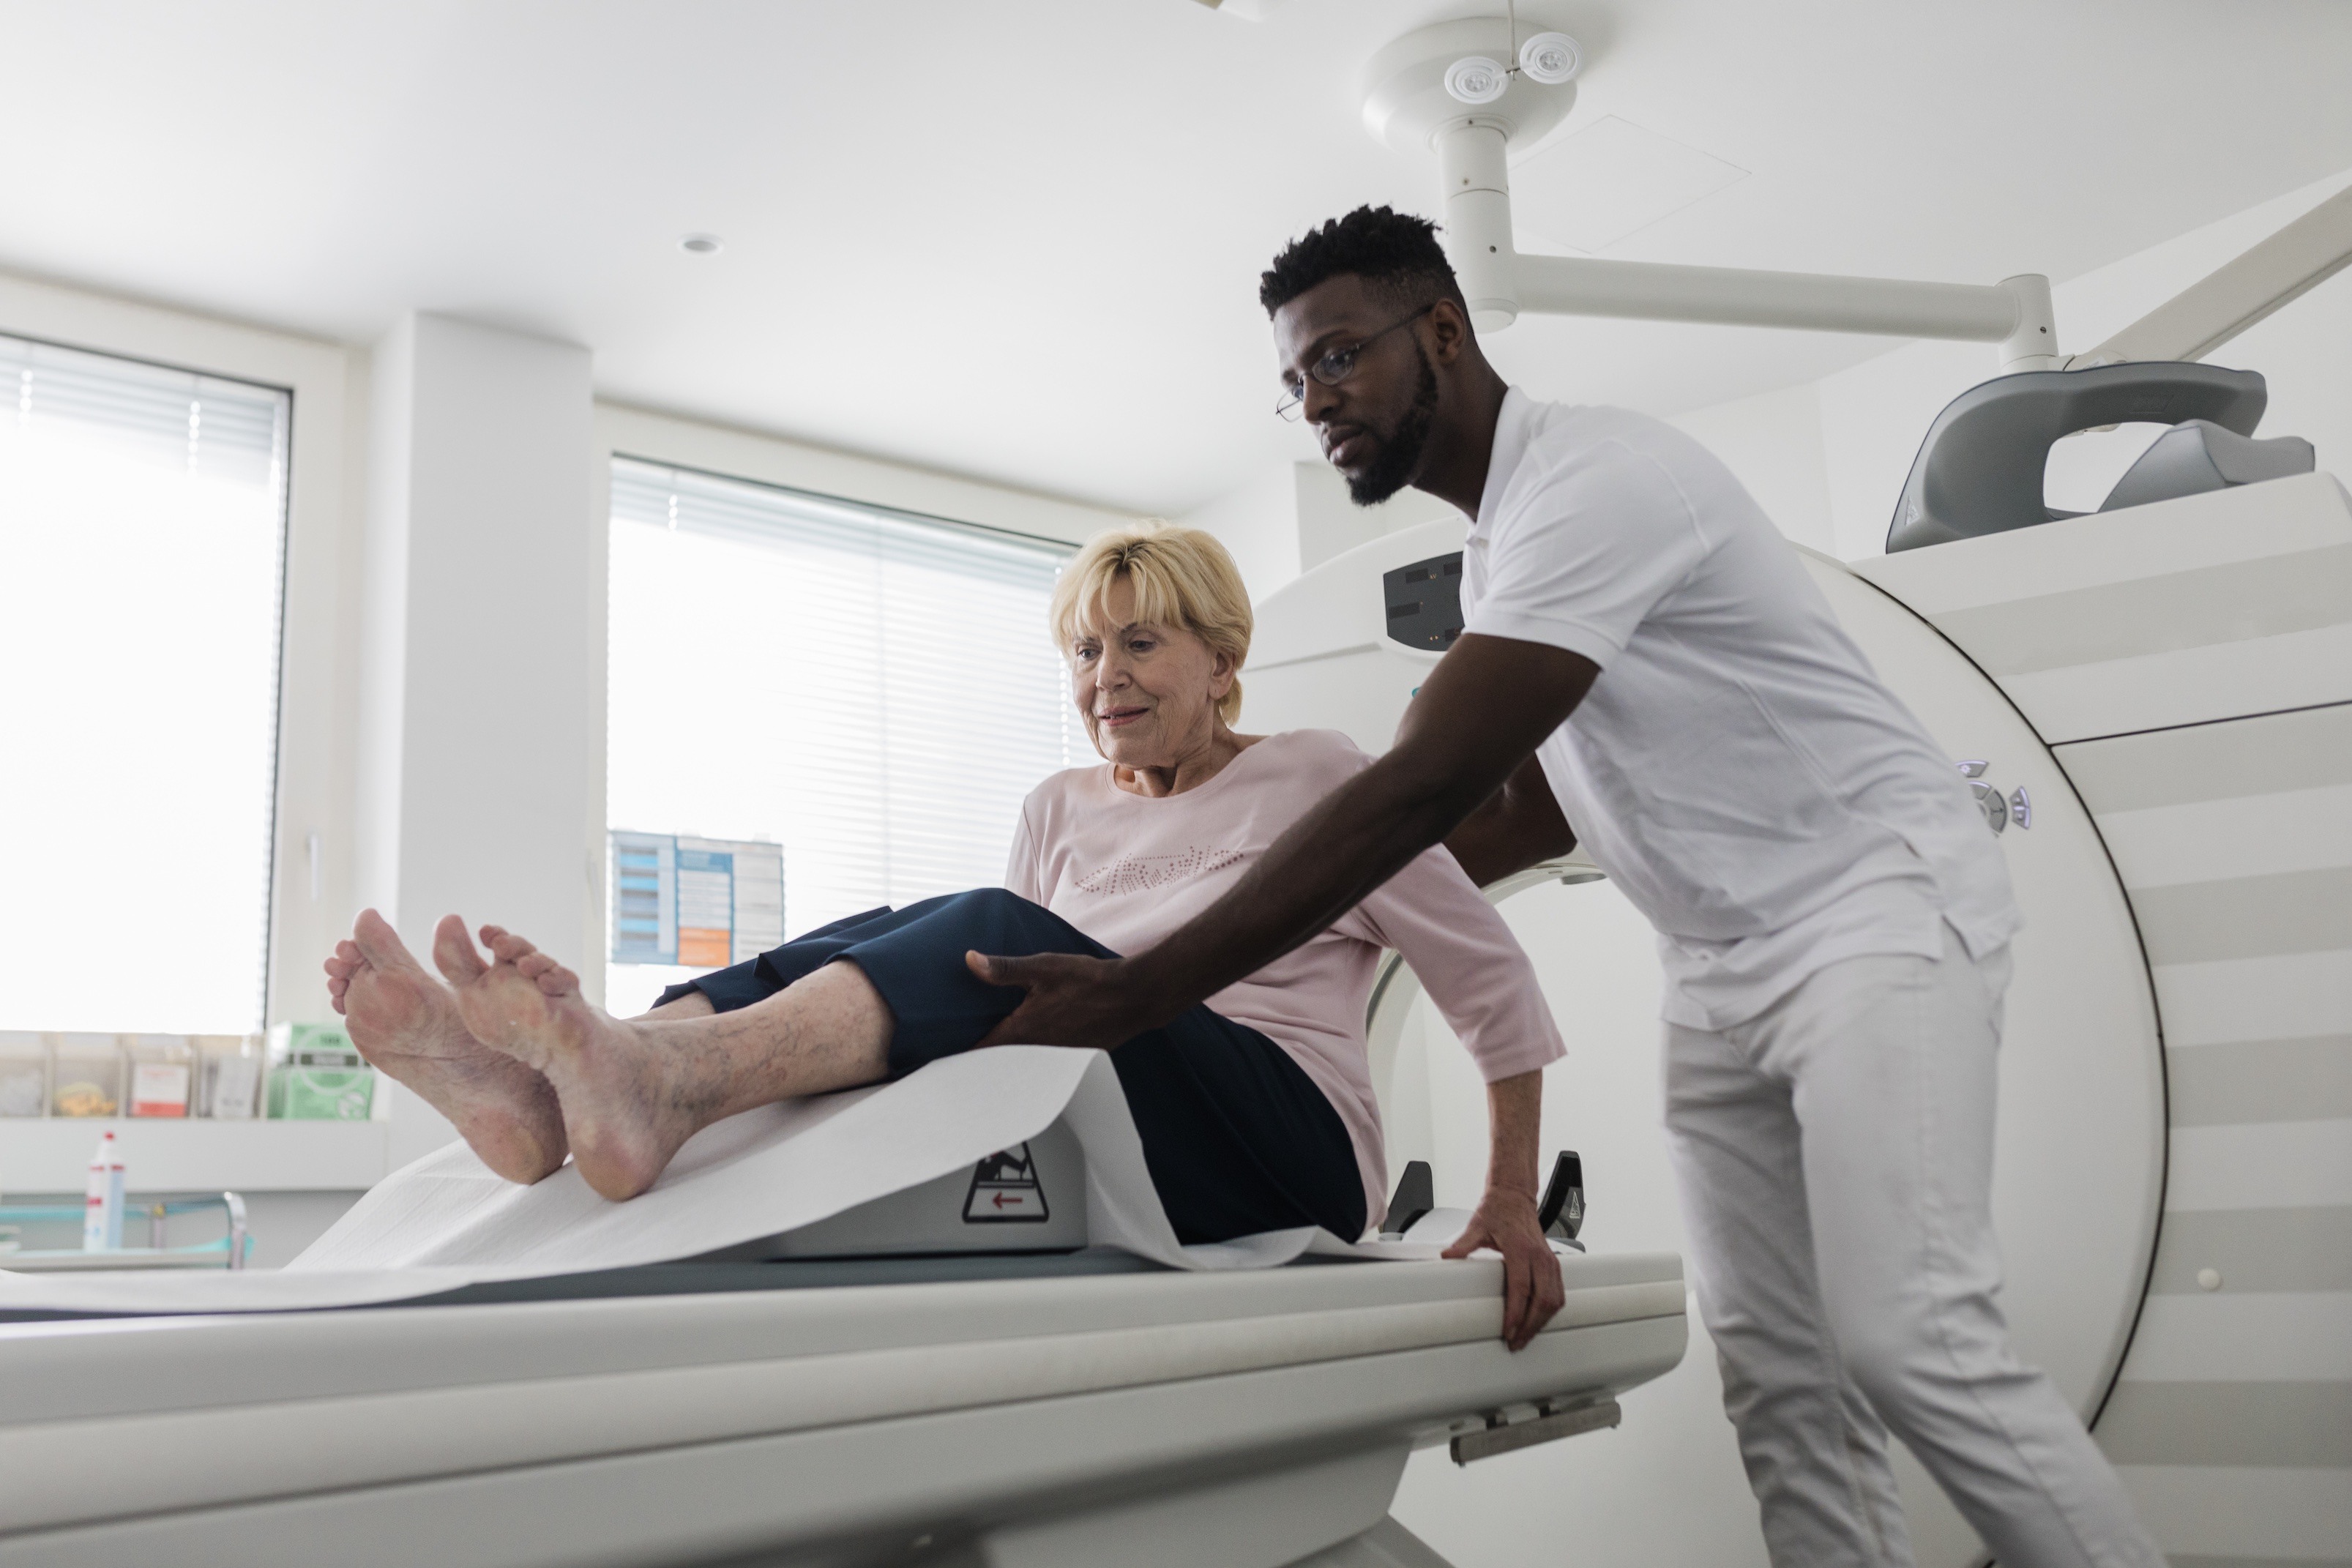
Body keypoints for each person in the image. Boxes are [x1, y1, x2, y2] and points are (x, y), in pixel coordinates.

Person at [967, 208, 2165, 1568]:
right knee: (1778, 1374)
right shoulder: (1494, 557)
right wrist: (1311, 895)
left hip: (1868, 909)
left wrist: (1146, 984)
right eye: (1295, 381)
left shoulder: (1598, 481)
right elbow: (1526, 812)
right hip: (1713, 967)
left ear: (1443, 331)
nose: (1319, 401)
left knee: (1911, 1337)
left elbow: (1423, 788)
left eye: (1341, 356)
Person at [325, 521, 1572, 1347]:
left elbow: (1488, 980)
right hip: (1110, 1122)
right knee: (890, 926)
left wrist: (1508, 1196)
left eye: (1140, 641)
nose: (1105, 677)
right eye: (1085, 650)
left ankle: (655, 1081)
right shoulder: (1057, 808)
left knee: (983, 926)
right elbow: (990, 1018)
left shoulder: (1323, 777)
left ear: (1221, 657)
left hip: (1285, 1143)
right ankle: (575, 1079)